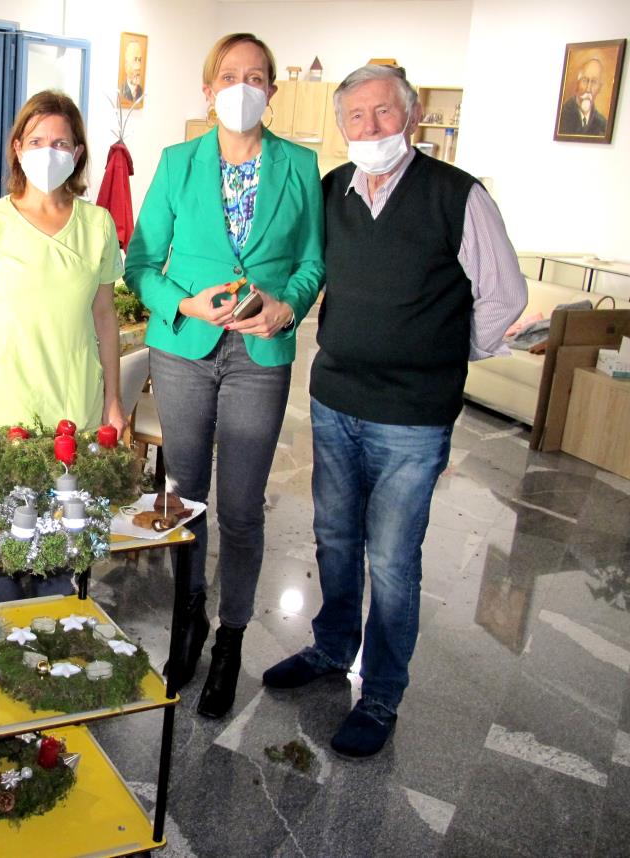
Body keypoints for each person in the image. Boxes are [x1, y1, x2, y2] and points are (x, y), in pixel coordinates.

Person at [262, 64, 526, 757]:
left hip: (412, 416)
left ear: (409, 117)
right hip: (336, 399)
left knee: (393, 557)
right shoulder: (333, 191)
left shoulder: (456, 195)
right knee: (334, 538)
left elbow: (503, 294)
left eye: (383, 112)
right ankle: (331, 648)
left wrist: (447, 350)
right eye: (356, 116)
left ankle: (380, 693)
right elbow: (310, 272)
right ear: (342, 126)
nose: (370, 126)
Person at [124, 33, 324, 716]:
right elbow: (141, 263)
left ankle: (231, 638)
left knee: (240, 507)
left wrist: (287, 305)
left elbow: (312, 262)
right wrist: (183, 303)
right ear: (208, 90)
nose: (243, 87)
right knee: (185, 498)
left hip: (259, 354)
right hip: (183, 348)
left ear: (272, 90)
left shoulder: (300, 165)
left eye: (256, 76)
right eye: (230, 76)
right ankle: (190, 620)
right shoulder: (178, 163)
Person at [0, 89, 125, 451]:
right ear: (18, 149)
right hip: (3, 411)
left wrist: (113, 398)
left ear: (77, 153)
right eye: (36, 142)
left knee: (74, 491)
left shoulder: (98, 225)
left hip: (76, 408)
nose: (49, 152)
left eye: (61, 143)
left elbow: (105, 317)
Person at [557, 57, 608, 136]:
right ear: (578, 83)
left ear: (599, 88)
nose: (588, 89)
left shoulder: (603, 125)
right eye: (584, 80)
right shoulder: (562, 116)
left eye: (594, 82)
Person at [121, 38, 145, 105]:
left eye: (139, 60)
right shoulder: (122, 90)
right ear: (126, 65)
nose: (138, 66)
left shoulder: (141, 92)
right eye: (135, 60)